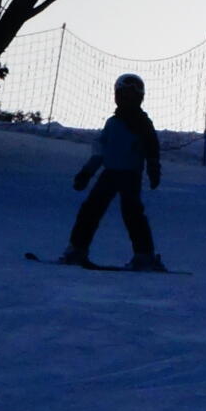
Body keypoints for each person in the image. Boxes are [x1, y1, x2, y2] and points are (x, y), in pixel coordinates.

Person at [63, 72, 167, 271]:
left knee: (132, 214)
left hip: (130, 175)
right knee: (91, 211)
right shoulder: (112, 123)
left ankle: (144, 255)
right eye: (124, 96)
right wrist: (86, 173)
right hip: (110, 173)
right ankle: (77, 250)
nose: (127, 101)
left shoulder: (143, 124)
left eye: (131, 97)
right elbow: (100, 151)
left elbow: (152, 149)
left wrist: (154, 170)